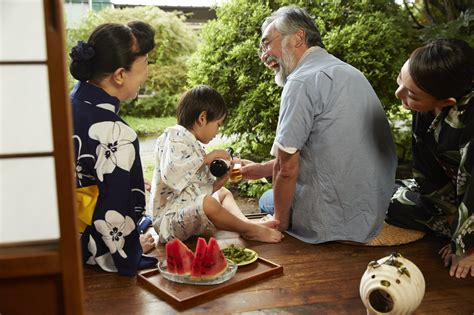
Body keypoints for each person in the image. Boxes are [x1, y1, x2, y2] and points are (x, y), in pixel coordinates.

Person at [240, 6, 397, 244]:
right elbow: (328, 152)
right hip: (374, 208)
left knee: (267, 201)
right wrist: (260, 169)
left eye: (267, 44)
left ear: (298, 37)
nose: (264, 55)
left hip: (335, 220)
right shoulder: (351, 73)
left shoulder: (301, 81)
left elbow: (287, 169)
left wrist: (278, 223)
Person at [70, 21, 158, 276]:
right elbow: (116, 210)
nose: (147, 74)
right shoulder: (117, 133)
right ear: (120, 75)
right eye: (145, 65)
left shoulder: (66, 102)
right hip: (88, 249)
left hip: (54, 234)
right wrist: (131, 251)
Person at [147, 85, 283, 244]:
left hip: (183, 211)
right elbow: (172, 174)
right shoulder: (174, 135)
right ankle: (250, 230)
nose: (217, 132)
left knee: (224, 193)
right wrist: (207, 158)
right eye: (218, 124)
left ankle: (245, 225)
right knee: (208, 203)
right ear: (202, 118)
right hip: (168, 221)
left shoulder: (193, 144)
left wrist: (220, 181)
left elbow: (197, 188)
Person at [386, 39, 474, 278]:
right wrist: (448, 214)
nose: (398, 94)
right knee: (382, 196)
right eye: (400, 81)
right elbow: (426, 169)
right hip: (455, 196)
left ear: (447, 102)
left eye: (411, 94)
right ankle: (453, 228)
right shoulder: (425, 106)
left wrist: (465, 247)